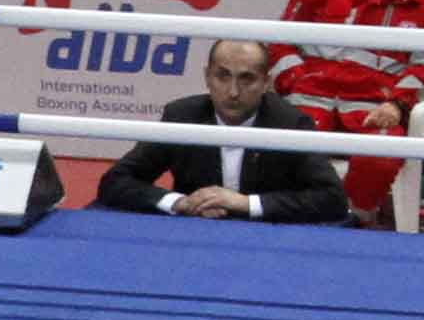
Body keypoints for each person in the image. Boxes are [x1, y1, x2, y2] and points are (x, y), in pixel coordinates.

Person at [275, 0, 424, 226]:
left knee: (382, 154)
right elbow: (281, 41)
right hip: (309, 102)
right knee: (282, 146)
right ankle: (289, 216)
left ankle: (352, 220)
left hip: (374, 109)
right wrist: (292, 82)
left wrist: (397, 106)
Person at [101, 40, 344, 227]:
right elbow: (115, 181)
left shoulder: (290, 123)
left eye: (246, 79)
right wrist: (180, 203)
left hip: (269, 241)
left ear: (266, 83)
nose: (233, 92)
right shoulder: (182, 117)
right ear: (207, 77)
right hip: (193, 237)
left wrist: (246, 203)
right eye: (223, 76)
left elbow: (332, 198)